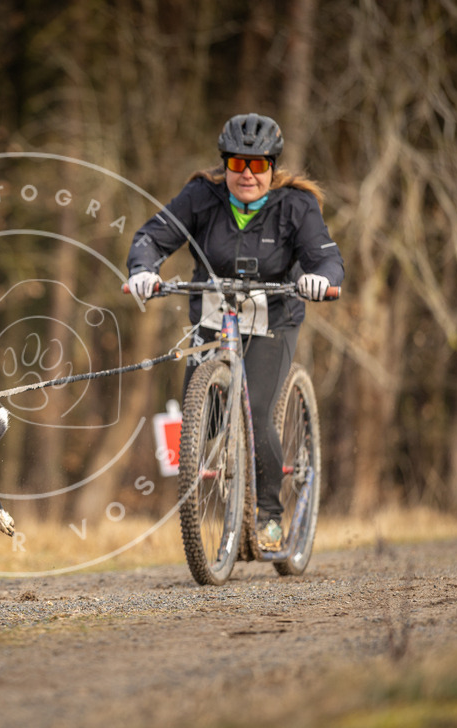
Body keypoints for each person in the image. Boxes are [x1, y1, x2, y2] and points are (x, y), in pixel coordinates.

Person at [126, 112, 344, 551]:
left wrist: (319, 278)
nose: (247, 174)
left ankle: (269, 516)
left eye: (258, 165)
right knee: (200, 420)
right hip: (214, 318)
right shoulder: (200, 197)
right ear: (224, 163)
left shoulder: (296, 206)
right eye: (237, 163)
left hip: (272, 321)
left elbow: (326, 258)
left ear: (272, 168)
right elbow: (152, 237)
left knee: (258, 412)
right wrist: (142, 271)